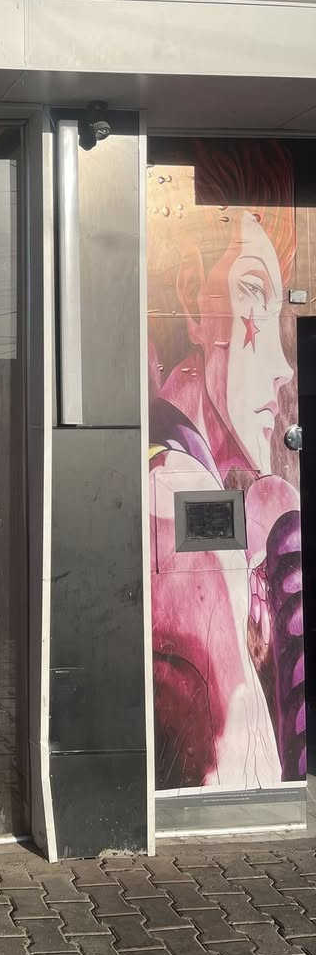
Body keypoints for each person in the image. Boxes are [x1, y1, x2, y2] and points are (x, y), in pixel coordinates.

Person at [148, 140, 304, 790]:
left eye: (279, 305)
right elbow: (242, 782)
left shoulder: (187, 472)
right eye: (252, 292)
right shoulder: (173, 484)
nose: (283, 368)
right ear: (190, 299)